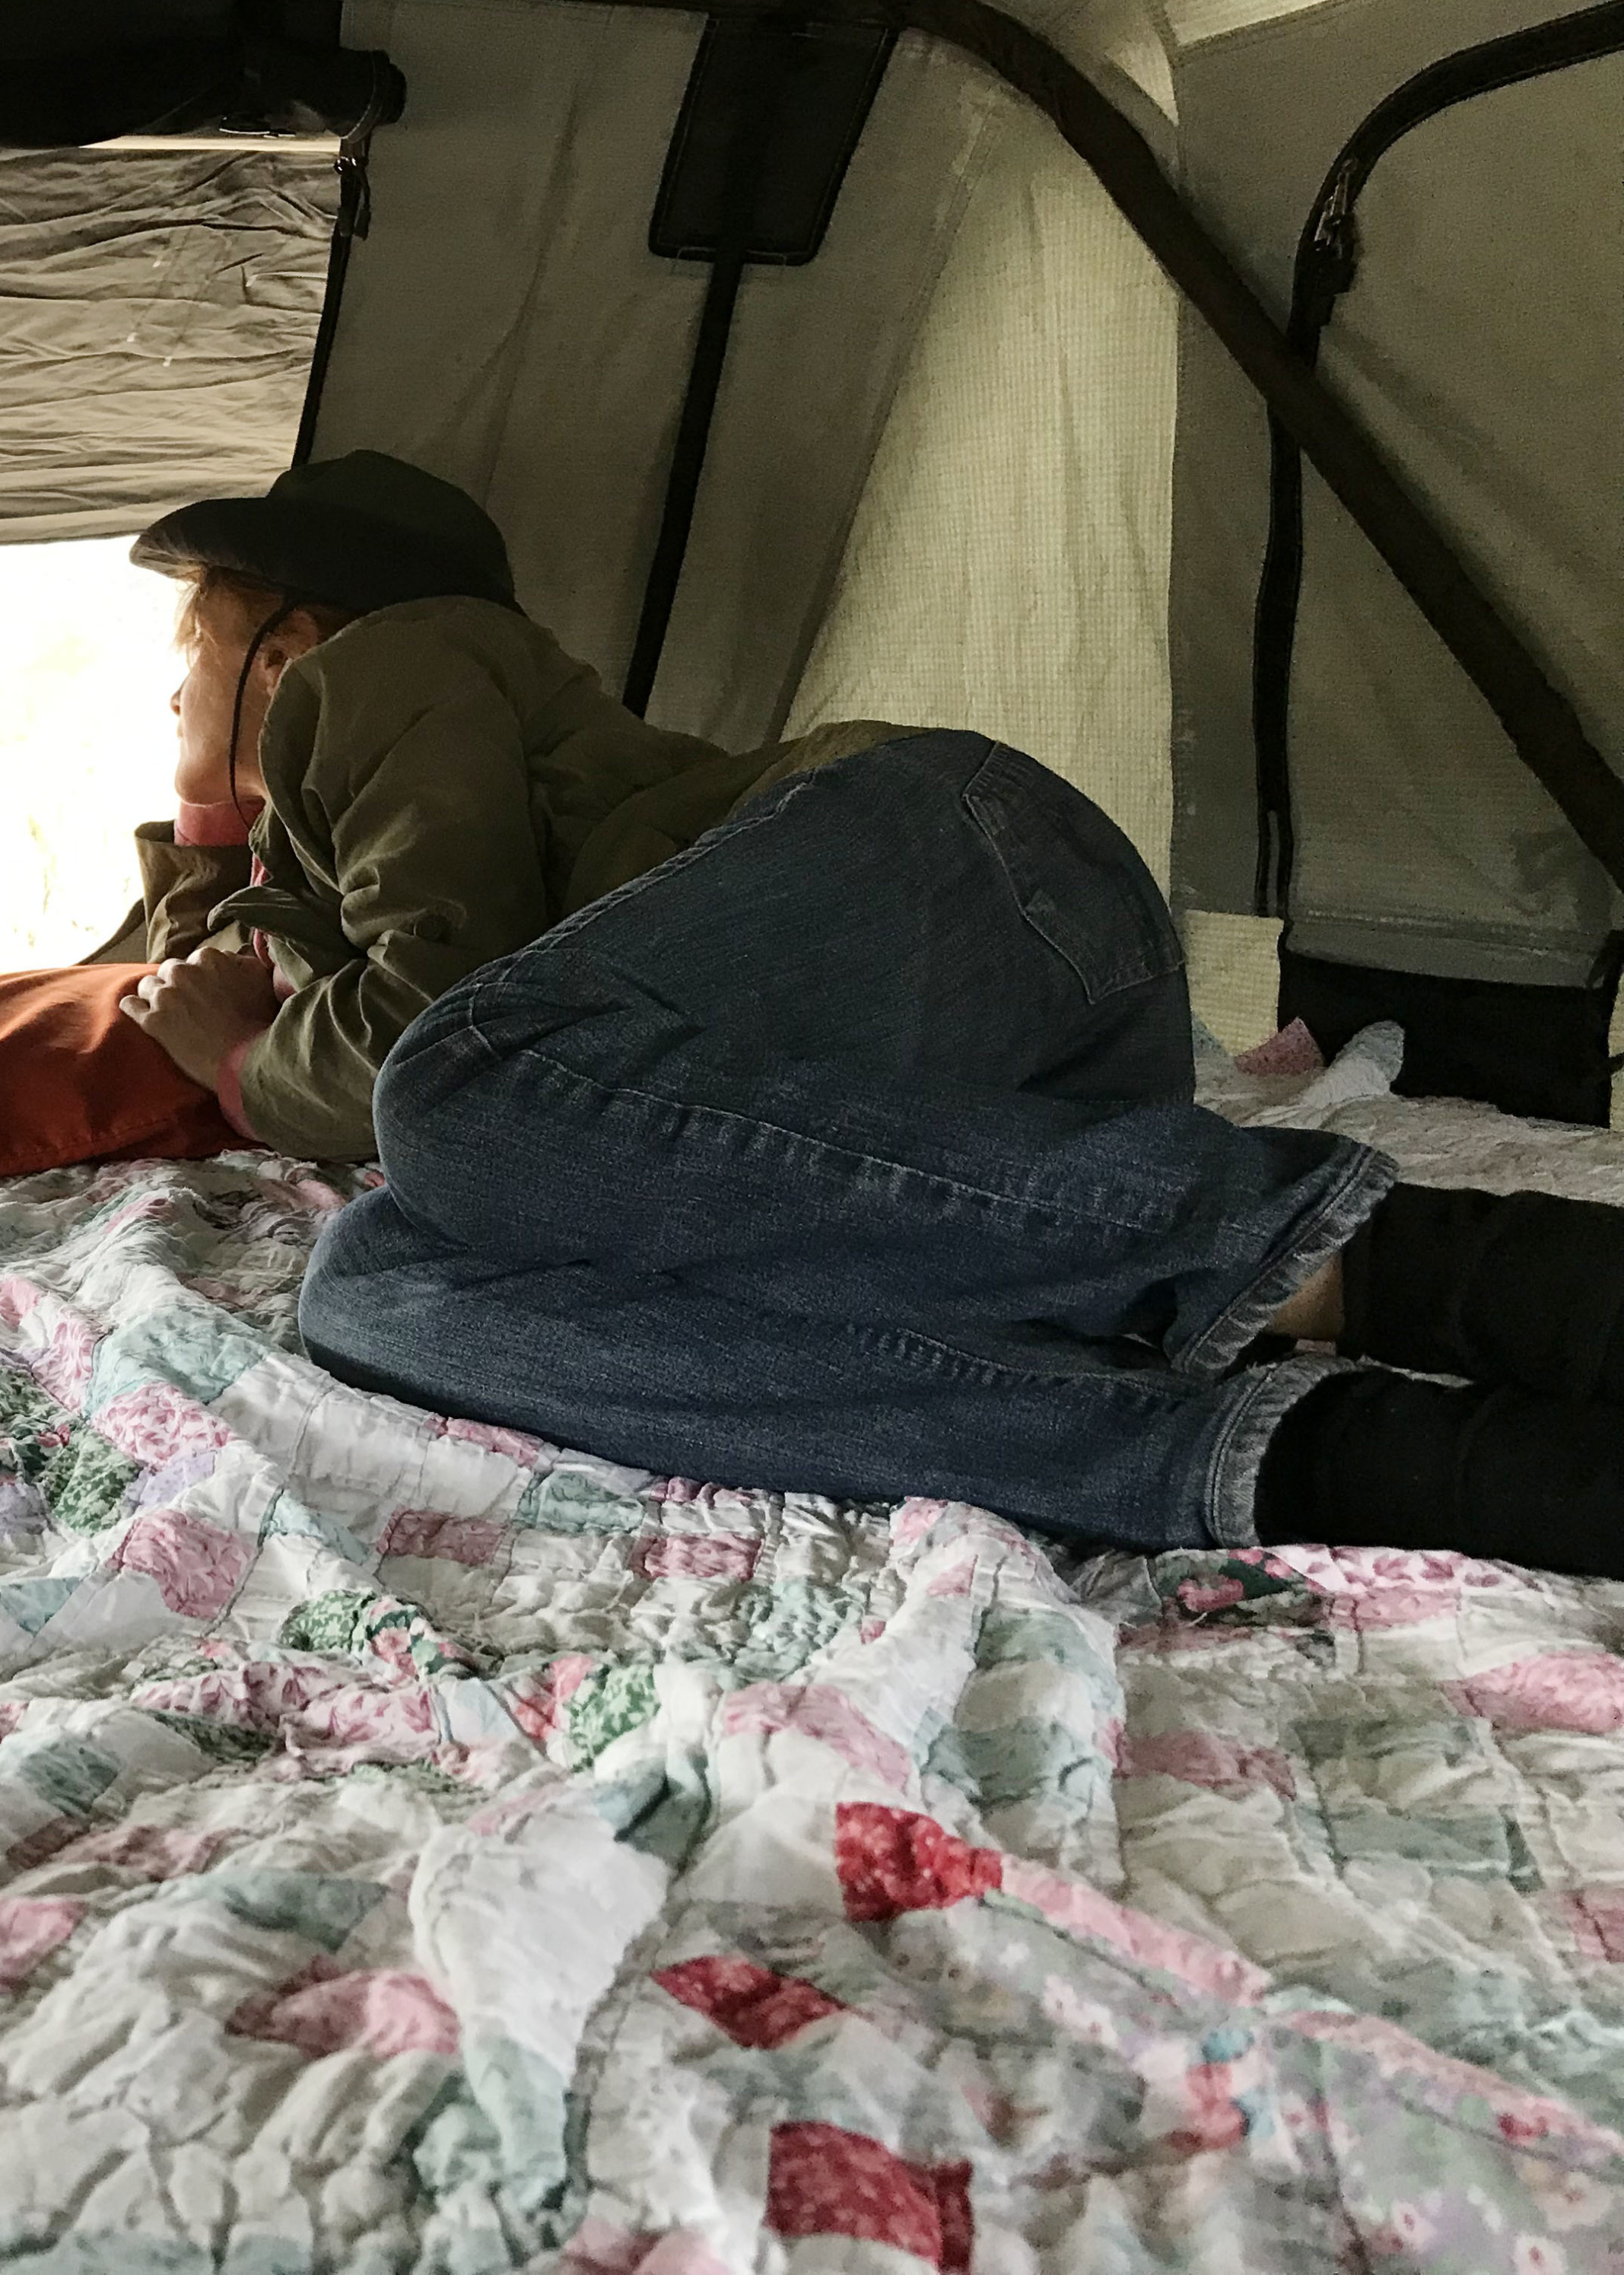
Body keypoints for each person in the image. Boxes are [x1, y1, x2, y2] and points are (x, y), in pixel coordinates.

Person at [291, 689, 1624, 1577]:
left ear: (273, 634)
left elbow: (428, 1017)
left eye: (185, 668)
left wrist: (235, 1038)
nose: (177, 703)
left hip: (999, 885)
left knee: (462, 1090)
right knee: (371, 1281)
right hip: (948, 1104)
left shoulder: (381, 673)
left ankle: (1356, 1257)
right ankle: (1340, 1459)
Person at [115, 450, 901, 1158]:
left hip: (872, 836)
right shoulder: (342, 791)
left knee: (399, 1252)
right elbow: (193, 986)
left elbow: (439, 1038)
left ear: (285, 656)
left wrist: (238, 1063)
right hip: (874, 877)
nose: (175, 699)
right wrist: (224, 807)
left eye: (196, 656)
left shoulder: (392, 673)